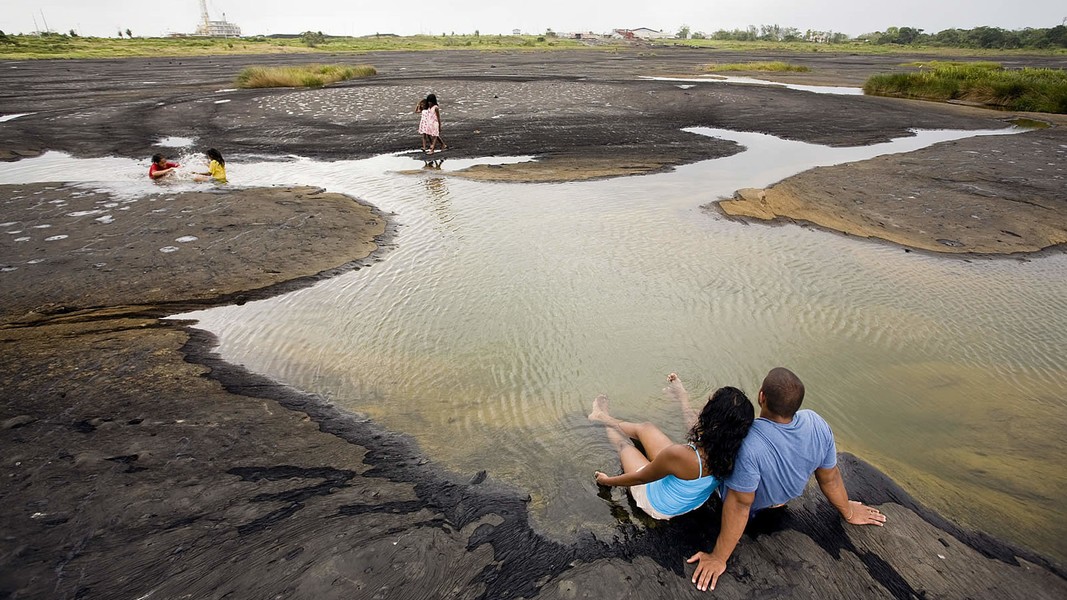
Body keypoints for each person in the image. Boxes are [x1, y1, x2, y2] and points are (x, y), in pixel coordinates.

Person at [687, 367, 887, 592]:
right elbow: (829, 477)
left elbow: (740, 504)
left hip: (750, 507)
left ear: (761, 396)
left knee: (705, 431)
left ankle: (679, 398)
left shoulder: (749, 441)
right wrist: (847, 511)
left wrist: (718, 558)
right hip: (781, 500)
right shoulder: (816, 423)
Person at [591, 373, 754, 521]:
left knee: (625, 445)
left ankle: (601, 417)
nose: (706, 403)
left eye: (710, 402)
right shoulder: (731, 448)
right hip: (688, 499)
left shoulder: (682, 455)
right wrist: (682, 396)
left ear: (713, 418)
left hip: (656, 503)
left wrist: (607, 481)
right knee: (646, 428)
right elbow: (694, 425)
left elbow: (641, 478)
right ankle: (603, 417)